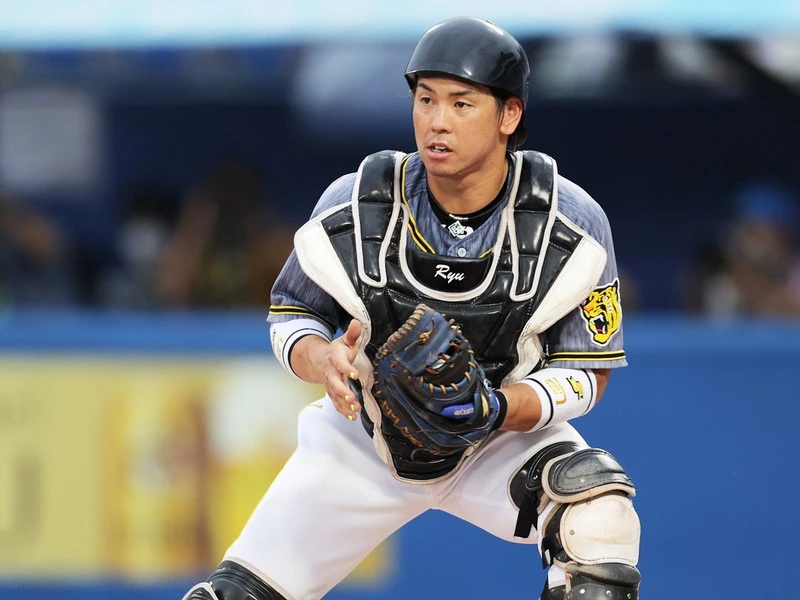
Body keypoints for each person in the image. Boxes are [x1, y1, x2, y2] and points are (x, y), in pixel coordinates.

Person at [183, 17, 641, 600]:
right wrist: (322, 360)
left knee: (600, 519)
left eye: (461, 103)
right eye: (426, 99)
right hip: (366, 435)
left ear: (509, 115)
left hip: (498, 439)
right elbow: (292, 312)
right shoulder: (357, 202)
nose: (437, 121)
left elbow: (587, 370)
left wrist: (495, 408)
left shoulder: (570, 221)